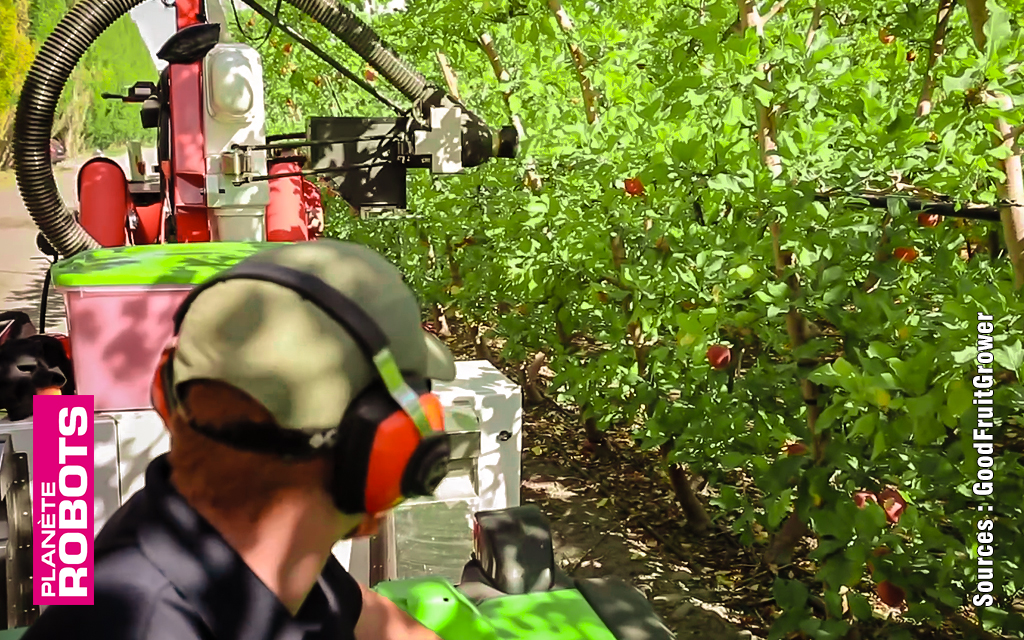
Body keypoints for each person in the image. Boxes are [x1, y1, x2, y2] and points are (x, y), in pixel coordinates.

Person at [22, 240, 454, 639]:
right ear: (389, 456)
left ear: (167, 397)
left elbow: (376, 622)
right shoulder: (143, 625)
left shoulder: (262, 546)